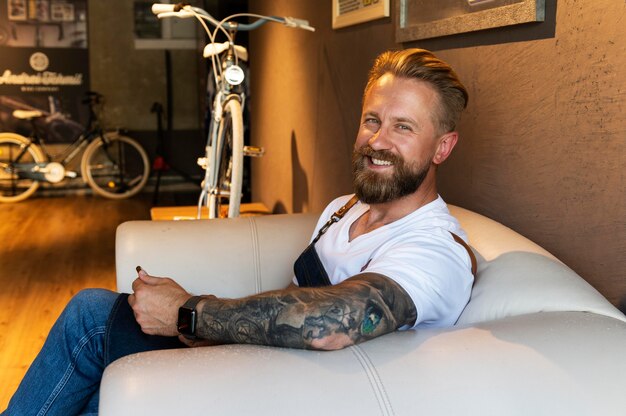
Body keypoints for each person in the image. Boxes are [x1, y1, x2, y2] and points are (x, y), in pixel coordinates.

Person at [2, 48, 473, 415]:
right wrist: (207, 338)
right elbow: (295, 298)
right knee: (93, 390)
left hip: (297, 394)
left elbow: (328, 323)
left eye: (403, 127)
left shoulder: (434, 250)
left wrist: (187, 314)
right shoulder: (346, 208)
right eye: (372, 120)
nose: (377, 140)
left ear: (443, 147)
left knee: (90, 319)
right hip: (263, 362)